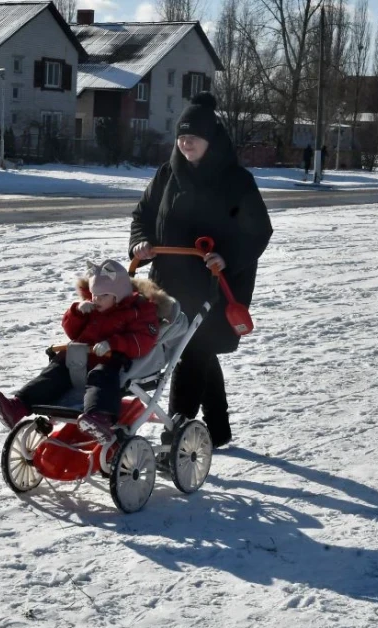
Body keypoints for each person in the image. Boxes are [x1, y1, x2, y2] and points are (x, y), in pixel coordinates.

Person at [128, 92, 273, 448]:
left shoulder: (236, 181)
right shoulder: (167, 175)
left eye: (194, 135)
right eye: (181, 135)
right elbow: (142, 217)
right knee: (192, 350)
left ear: (212, 139)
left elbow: (258, 230)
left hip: (215, 285)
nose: (185, 141)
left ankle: (174, 434)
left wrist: (227, 256)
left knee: (192, 351)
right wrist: (141, 244)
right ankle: (218, 430)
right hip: (168, 282)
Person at [0, 259, 163, 442]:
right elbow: (73, 332)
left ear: (118, 295)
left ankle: (100, 416)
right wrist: (78, 313)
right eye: (94, 294)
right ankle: (18, 406)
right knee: (56, 370)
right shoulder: (94, 307)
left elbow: (143, 340)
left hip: (111, 361)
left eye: (103, 295)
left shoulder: (138, 311)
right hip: (81, 357)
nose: (96, 299)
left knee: (101, 378)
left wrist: (114, 343)